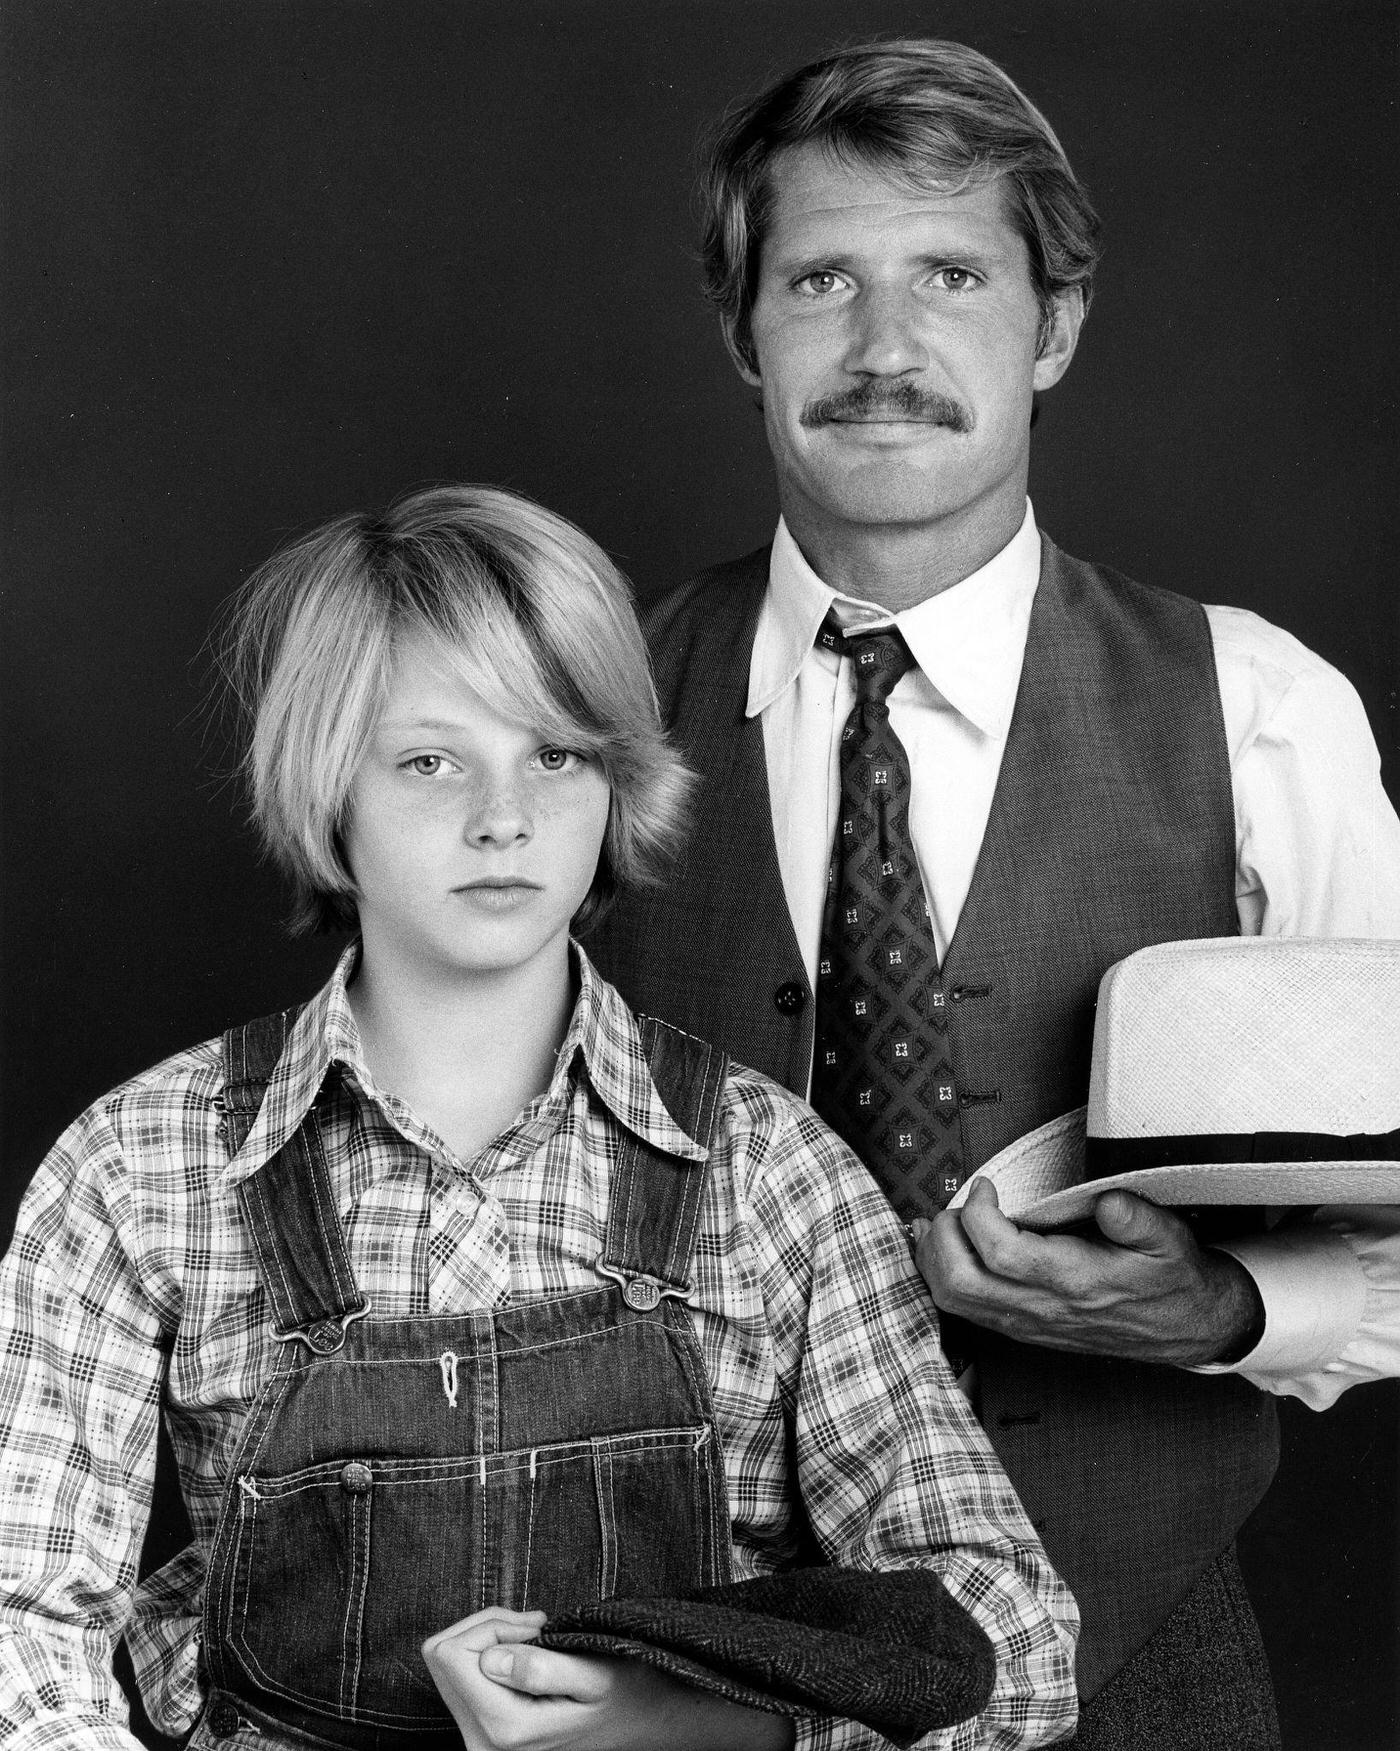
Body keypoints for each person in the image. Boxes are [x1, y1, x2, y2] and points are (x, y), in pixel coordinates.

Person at [585, 37, 1400, 1751]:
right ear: (743, 335)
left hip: (1138, 1652)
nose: (887, 351)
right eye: (823, 282)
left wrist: (1238, 1306)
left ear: (1057, 327)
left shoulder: (1259, 710)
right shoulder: (579, 719)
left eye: (952, 276)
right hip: (683, 1656)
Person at [0, 485, 1078, 1751]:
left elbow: (1007, 1633)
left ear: (617, 782)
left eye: (554, 754)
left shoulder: (766, 1169)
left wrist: (697, 1726)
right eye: (428, 759)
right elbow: (22, 1620)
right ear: (322, 789)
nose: (502, 817)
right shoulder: (142, 1165)